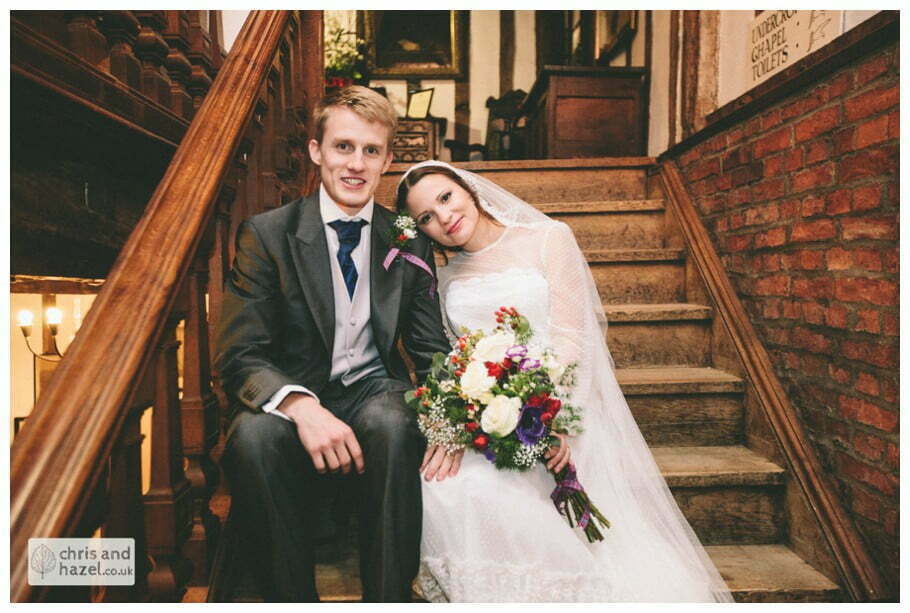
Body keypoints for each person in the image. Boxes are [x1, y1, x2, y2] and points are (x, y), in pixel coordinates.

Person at [396, 161, 734, 602]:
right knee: (446, 488)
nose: (443, 217)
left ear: (468, 189)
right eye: (425, 217)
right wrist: (466, 419)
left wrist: (551, 416)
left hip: (561, 408)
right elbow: (461, 361)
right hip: (493, 419)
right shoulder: (444, 280)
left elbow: (574, 338)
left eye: (446, 198)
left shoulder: (548, 238)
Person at [214, 86, 451, 602]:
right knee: (253, 440)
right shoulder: (268, 234)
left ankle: (388, 596)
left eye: (371, 151)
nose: (356, 164)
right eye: (344, 146)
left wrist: (452, 422)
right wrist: (300, 405)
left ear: (388, 159)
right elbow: (239, 353)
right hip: (291, 390)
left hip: (372, 390)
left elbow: (431, 347)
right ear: (316, 151)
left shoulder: (408, 237)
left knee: (394, 421)